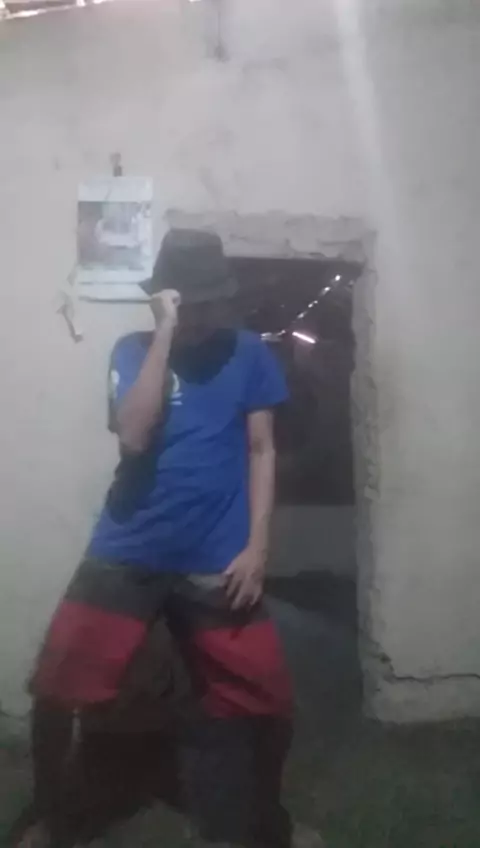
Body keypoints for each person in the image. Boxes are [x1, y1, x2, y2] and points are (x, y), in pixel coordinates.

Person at [18, 229, 308, 848]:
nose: (201, 315)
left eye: (209, 303)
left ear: (224, 299)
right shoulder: (133, 351)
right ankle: (49, 818)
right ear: (165, 299)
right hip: (127, 548)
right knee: (58, 688)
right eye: (186, 303)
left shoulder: (249, 353)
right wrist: (166, 334)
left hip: (218, 555)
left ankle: (264, 825)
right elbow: (133, 436)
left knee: (266, 698)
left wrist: (258, 547)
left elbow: (261, 449)